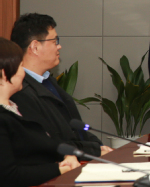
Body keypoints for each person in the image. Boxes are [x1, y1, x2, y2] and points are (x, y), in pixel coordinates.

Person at [10, 13, 109, 156]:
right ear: (35, 47)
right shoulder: (20, 92)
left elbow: (77, 130)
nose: (59, 46)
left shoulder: (48, 82)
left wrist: (99, 146)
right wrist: (94, 150)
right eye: (55, 41)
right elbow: (51, 142)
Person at [0, 37, 80, 187]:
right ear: (5, 74)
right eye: (21, 66)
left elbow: (45, 145)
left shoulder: (17, 107)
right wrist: (59, 170)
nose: (24, 73)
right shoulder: (3, 118)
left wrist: (67, 155)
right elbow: (8, 176)